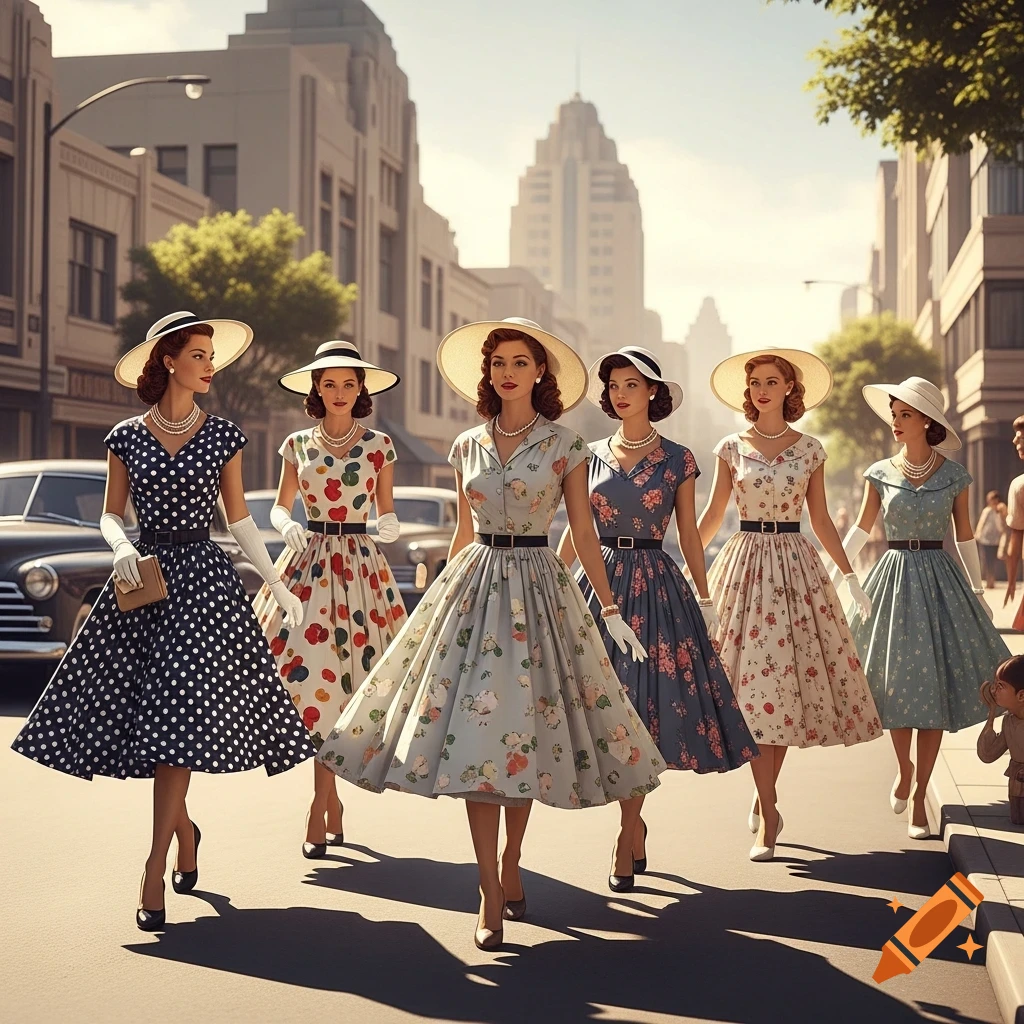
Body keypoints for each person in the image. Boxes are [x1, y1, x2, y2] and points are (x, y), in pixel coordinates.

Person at [316, 317, 664, 949]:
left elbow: (582, 531)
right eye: (498, 362)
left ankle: (512, 860)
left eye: (520, 362)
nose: (508, 372)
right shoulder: (465, 445)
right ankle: (487, 887)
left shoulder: (565, 445)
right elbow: (460, 531)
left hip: (539, 590)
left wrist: (610, 609)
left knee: (520, 732)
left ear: (540, 373)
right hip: (473, 587)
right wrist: (433, 603)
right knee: (477, 740)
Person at [11, 311, 313, 930]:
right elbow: (110, 514)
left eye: (211, 356)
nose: (210, 366)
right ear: (168, 362)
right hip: (143, 583)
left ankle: (153, 867)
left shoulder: (223, 434)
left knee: (175, 723)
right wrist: (121, 546)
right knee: (145, 726)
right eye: (198, 355)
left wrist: (277, 581)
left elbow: (239, 519)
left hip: (202, 587)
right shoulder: (125, 436)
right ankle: (184, 830)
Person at [557, 346, 758, 875]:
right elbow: (576, 529)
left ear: (653, 392)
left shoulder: (679, 459)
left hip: (655, 588)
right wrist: (554, 581)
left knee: (643, 712)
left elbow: (689, 533)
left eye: (632, 384)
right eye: (614, 386)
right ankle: (632, 822)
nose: (621, 394)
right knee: (601, 710)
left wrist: (706, 597)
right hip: (597, 584)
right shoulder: (584, 453)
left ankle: (628, 832)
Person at [697, 349, 882, 862]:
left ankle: (766, 807)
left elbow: (820, 518)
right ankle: (769, 804)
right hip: (743, 567)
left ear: (788, 389)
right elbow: (712, 514)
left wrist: (849, 573)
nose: (761, 390)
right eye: (755, 382)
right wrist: (687, 568)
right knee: (752, 695)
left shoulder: (810, 449)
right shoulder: (731, 447)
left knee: (778, 694)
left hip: (795, 573)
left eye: (771, 381)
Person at [832, 377, 1011, 839]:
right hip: (892, 579)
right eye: (894, 414)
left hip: (939, 579)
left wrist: (978, 590)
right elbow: (860, 530)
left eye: (905, 414)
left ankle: (920, 797)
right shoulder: (879, 472)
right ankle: (904, 768)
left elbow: (965, 535)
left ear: (927, 421)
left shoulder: (955, 476)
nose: (895, 421)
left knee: (931, 688)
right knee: (897, 685)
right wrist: (837, 575)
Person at [255, 340, 407, 858]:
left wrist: (388, 524)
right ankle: (326, 801)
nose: (339, 392)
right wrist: (285, 524)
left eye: (348, 383)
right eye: (329, 384)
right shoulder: (296, 443)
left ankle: (322, 803)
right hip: (308, 564)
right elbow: (279, 506)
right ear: (316, 390)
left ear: (361, 389)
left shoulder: (380, 445)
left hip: (362, 569)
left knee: (350, 689)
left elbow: (386, 509)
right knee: (311, 686)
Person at [977, 656, 1024, 825]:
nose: (994, 691)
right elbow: (988, 754)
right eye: (995, 684)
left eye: (1000, 686)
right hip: (1016, 787)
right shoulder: (1009, 721)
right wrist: (992, 712)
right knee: (1018, 819)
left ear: (1021, 695)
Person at [1005, 414, 1024, 630]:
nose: (1015, 441)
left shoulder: (1020, 486)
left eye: (1020, 436)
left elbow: (1016, 540)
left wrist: (1012, 581)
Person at [975, 490, 1006, 589]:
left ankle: (992, 579)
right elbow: (981, 523)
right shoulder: (987, 511)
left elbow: (1003, 524)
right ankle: (989, 580)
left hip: (996, 539)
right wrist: (978, 534)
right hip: (986, 539)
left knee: (993, 560)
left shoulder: (1000, 510)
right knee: (987, 560)